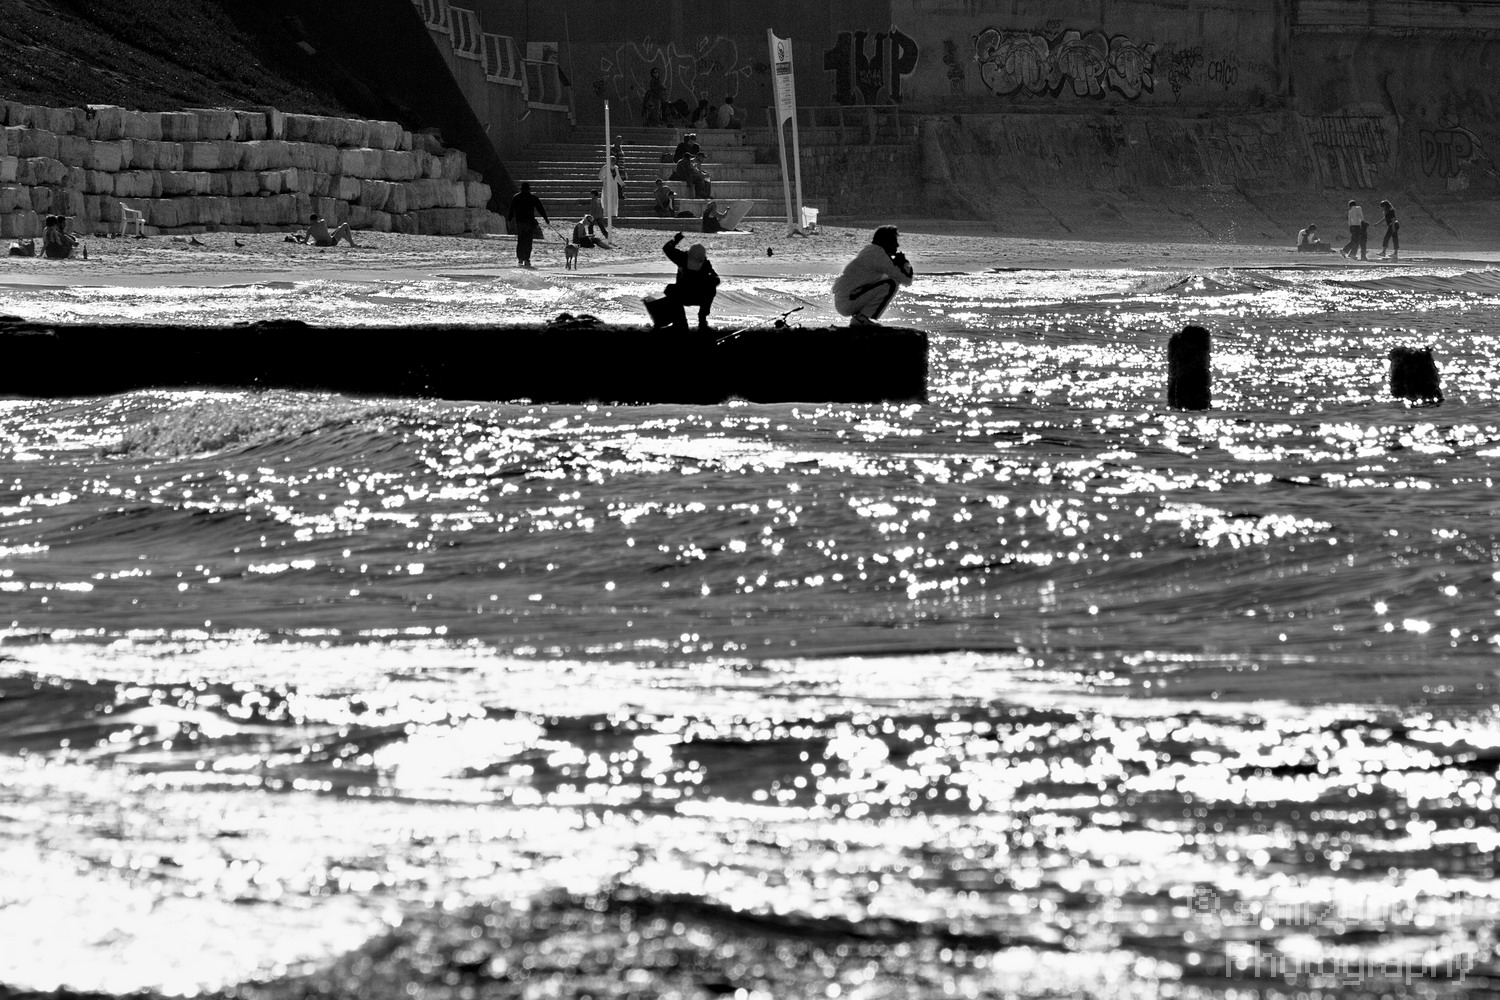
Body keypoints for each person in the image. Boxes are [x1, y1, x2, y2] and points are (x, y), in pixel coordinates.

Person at [833, 225, 914, 326]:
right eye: (894, 241)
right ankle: (862, 319)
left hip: (845, 300)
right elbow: (907, 280)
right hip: (848, 301)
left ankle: (861, 318)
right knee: (892, 283)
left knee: (887, 280)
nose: (897, 245)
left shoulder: (870, 251)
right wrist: (905, 263)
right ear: (886, 242)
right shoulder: (879, 255)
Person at [658, 231, 720, 331]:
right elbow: (716, 279)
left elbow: (667, 248)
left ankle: (698, 322)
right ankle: (685, 323)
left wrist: (675, 240)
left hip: (691, 296)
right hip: (689, 296)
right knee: (670, 289)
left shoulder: (686, 259)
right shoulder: (687, 259)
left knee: (711, 287)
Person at [505, 181, 549, 267]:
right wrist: (545, 218)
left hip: (519, 222)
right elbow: (540, 208)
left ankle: (520, 258)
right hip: (529, 222)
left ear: (521, 189)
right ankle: (526, 258)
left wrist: (509, 220)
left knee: (521, 240)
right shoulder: (532, 197)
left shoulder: (516, 197)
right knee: (528, 241)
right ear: (529, 189)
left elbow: (511, 209)